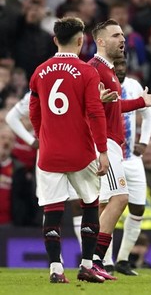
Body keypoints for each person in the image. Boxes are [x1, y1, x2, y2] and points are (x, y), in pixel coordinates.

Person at [28, 16, 109, 283]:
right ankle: (87, 265)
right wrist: (103, 150)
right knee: (90, 203)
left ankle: (55, 268)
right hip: (81, 152)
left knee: (52, 209)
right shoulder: (87, 72)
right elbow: (96, 113)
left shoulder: (39, 71)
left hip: (49, 153)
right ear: (81, 39)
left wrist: (43, 137)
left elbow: (34, 110)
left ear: (55, 40)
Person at [88, 19, 151, 280]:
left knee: (120, 201)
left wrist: (142, 101)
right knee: (113, 200)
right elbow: (87, 108)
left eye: (123, 34)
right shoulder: (94, 69)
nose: (122, 39)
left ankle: (99, 260)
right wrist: (102, 149)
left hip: (120, 148)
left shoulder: (108, 72)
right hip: (105, 144)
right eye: (116, 35)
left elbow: (113, 108)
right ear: (100, 41)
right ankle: (96, 259)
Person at [6, 91, 85, 247]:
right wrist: (31, 141)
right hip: (48, 154)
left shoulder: (76, 87)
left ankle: (86, 257)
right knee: (52, 206)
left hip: (73, 152)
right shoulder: (38, 91)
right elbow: (11, 117)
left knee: (79, 204)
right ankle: (55, 259)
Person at [102, 57, 151, 276]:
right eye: (117, 66)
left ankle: (123, 260)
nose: (121, 70)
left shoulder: (133, 86)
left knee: (138, 208)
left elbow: (148, 113)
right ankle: (105, 260)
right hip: (110, 156)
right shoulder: (101, 84)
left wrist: (144, 141)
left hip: (132, 159)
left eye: (124, 66)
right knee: (107, 207)